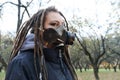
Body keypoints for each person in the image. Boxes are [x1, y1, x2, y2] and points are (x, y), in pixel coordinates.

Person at [5, 6, 78, 80]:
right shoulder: (21, 63)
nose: (61, 30)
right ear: (39, 29)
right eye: (53, 24)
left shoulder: (62, 60)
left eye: (63, 25)